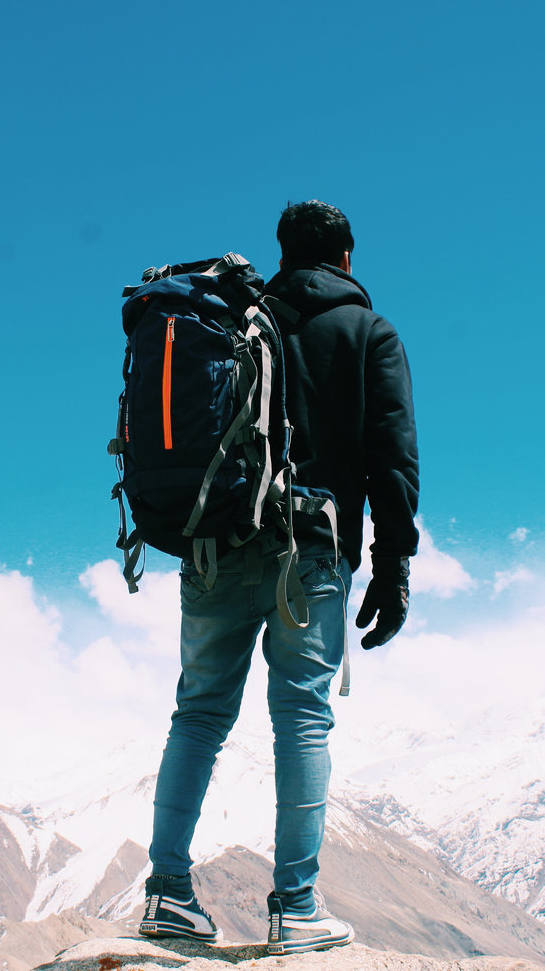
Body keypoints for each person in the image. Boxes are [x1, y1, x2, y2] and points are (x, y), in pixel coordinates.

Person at [137, 200, 420, 954]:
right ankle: (295, 905)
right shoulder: (367, 331)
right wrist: (392, 565)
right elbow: (391, 456)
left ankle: (167, 893)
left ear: (286, 253)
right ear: (348, 259)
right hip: (310, 548)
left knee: (198, 712)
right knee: (300, 715)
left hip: (217, 543)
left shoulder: (236, 318)